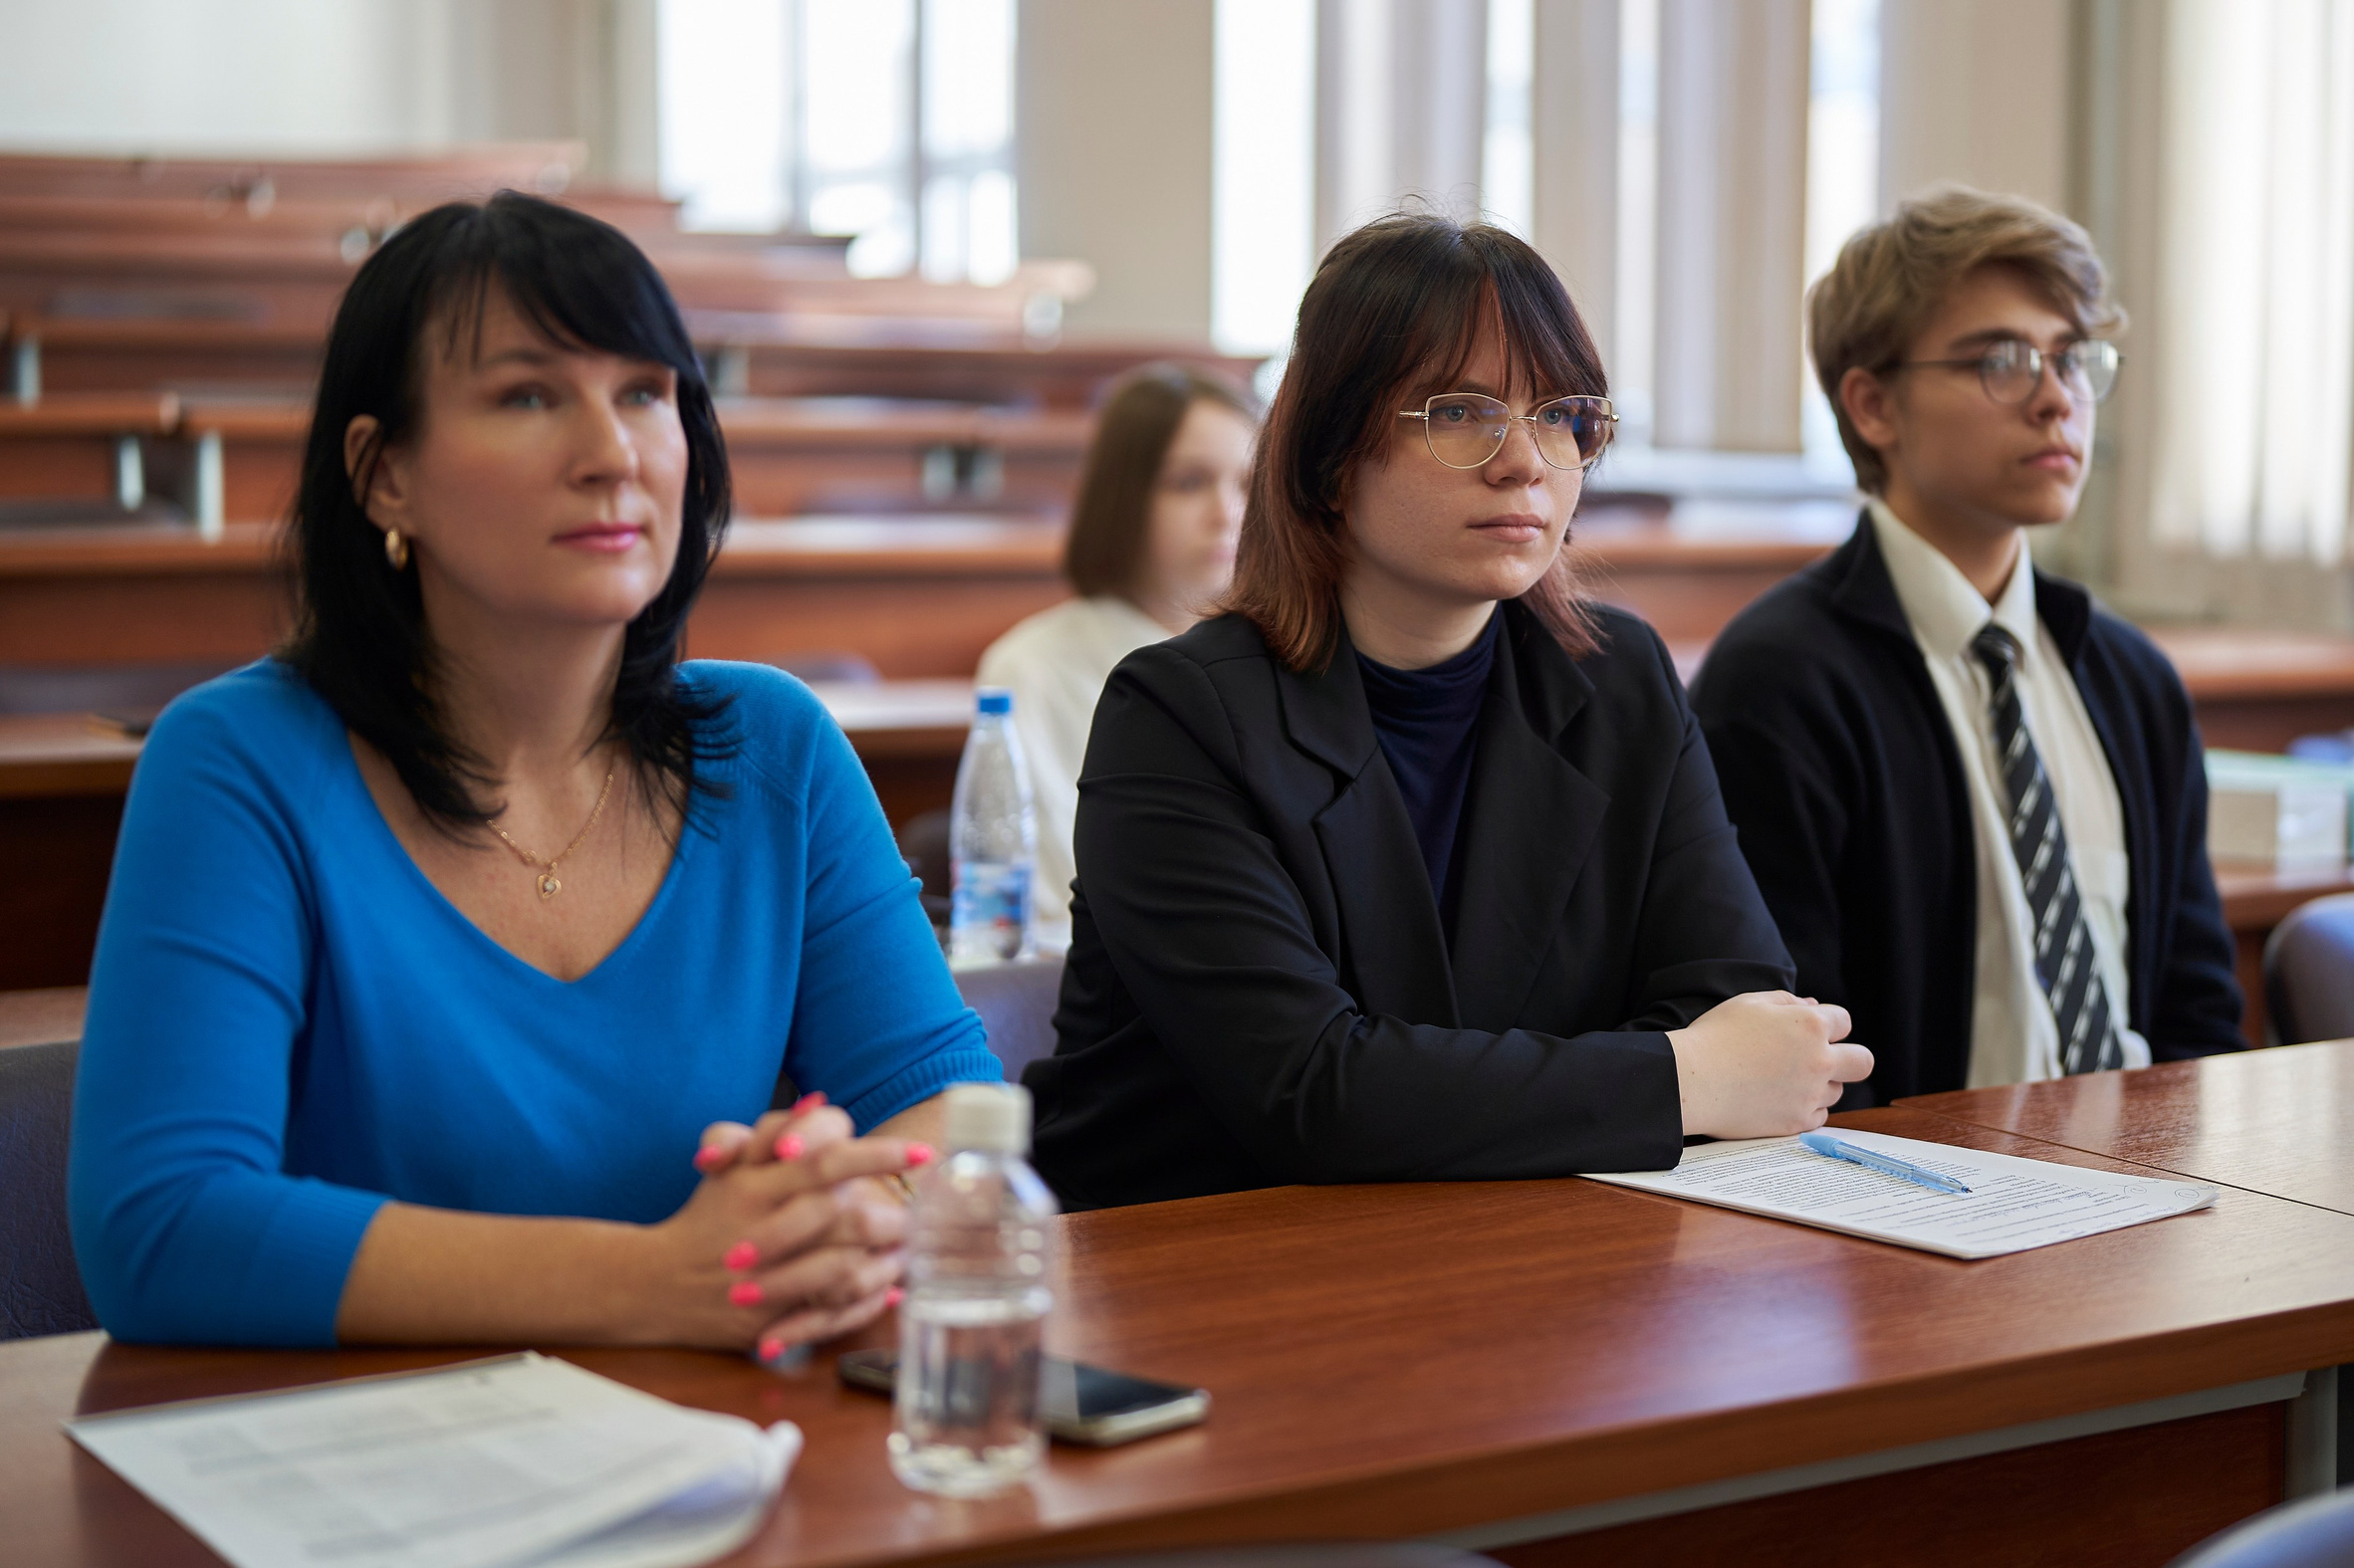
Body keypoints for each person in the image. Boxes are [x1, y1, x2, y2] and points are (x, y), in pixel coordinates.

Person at [69, 193, 1004, 1351]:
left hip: (714, 1452)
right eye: (526, 395)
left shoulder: (774, 746)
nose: (610, 454)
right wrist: (654, 1282)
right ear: (382, 475)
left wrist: (837, 1212)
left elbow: (953, 1119)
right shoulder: (239, 763)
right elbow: (162, 1230)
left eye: (645, 394)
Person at [1023, 212, 1871, 1210]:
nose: (1526, 462)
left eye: (1561, 414)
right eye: (1462, 413)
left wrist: (1463, 1087)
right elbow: (1316, 1093)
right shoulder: (1180, 714)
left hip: (1536, 1248)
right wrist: (1683, 1076)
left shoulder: (1615, 679)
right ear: (1332, 456)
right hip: (1205, 1275)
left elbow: (1741, 1009)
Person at [1691, 187, 2247, 1106]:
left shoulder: (2130, 679)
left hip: (2136, 1193)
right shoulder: (1782, 681)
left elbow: (2198, 1013)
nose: (2056, 399)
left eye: (2073, 360)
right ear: (1873, 405)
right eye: (2002, 360)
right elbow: (1792, 1044)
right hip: (1914, 1208)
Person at [976, 364, 1255, 949]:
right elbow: (1059, 895)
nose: (1226, 512)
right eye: (1188, 483)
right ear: (1123, 497)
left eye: (1247, 484)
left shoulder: (1279, 651)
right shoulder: (1032, 667)